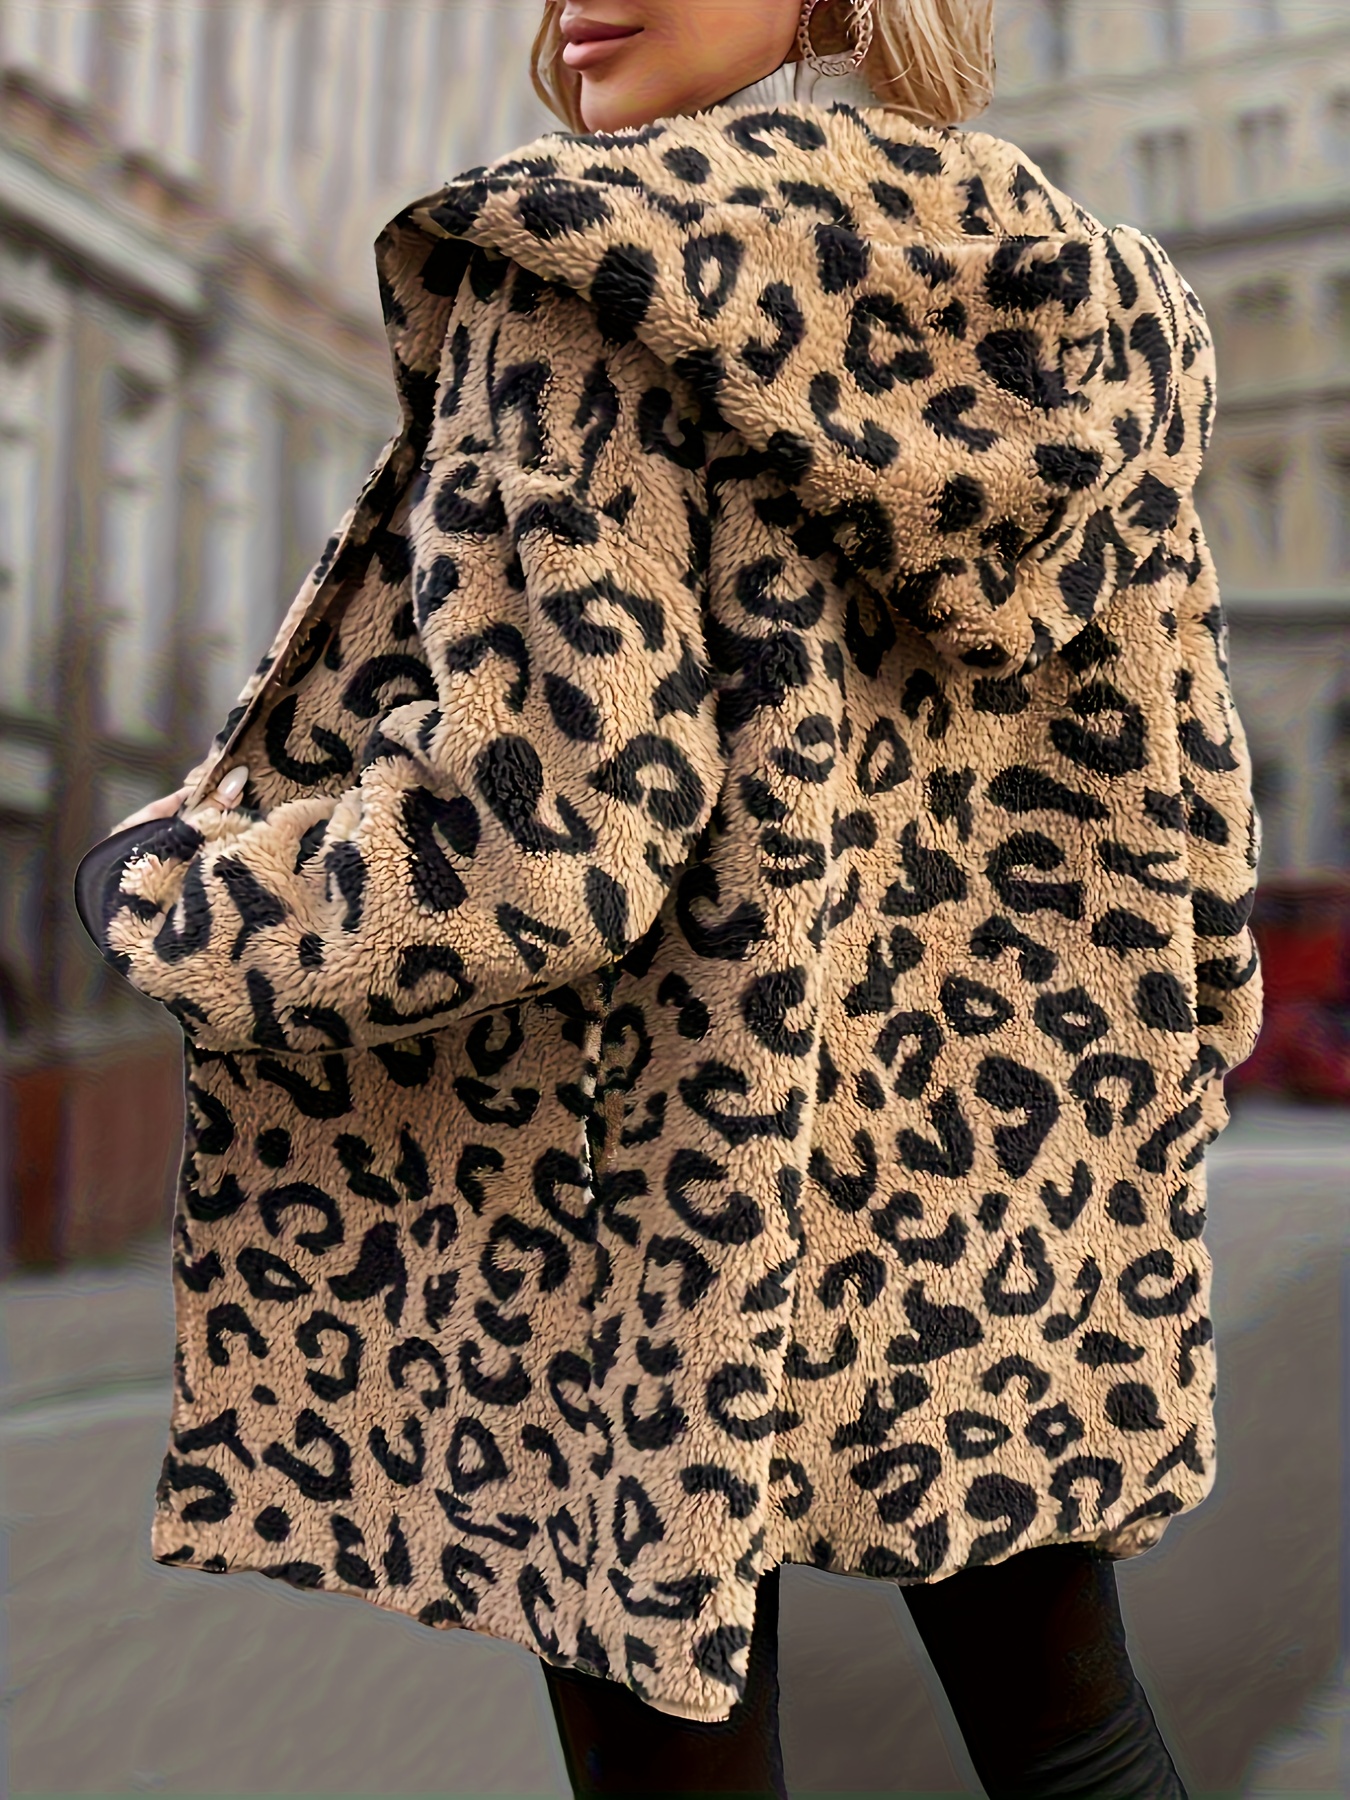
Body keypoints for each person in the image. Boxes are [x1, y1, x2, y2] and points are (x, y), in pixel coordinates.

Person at [84, 0, 1263, 1794]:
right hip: (1000, 1194)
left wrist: (171, 898)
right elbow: (1200, 836)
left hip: (648, 1210)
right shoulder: (1103, 313)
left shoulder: (588, 277)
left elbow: (539, 844)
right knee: (1078, 1753)